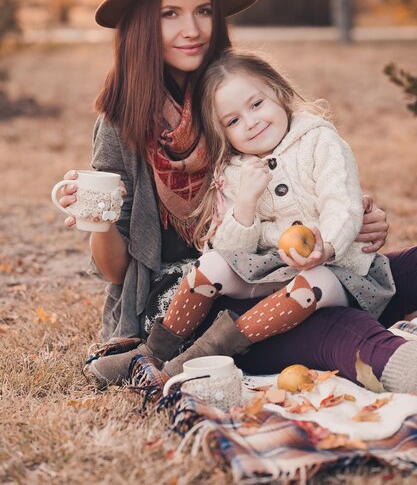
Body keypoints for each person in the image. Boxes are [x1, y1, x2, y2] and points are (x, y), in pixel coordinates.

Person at [57, 0, 417, 394]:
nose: (193, 29)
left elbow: (303, 173)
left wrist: (355, 220)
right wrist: (98, 221)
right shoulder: (120, 123)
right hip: (191, 306)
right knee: (336, 322)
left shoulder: (237, 93)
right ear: (143, 23)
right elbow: (116, 271)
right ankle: (394, 363)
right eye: (171, 14)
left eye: (203, 11)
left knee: (394, 271)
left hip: (279, 267)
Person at [118, 49, 397, 390]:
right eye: (233, 121)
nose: (250, 122)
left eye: (256, 104)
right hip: (273, 270)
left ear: (278, 93)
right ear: (223, 133)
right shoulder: (235, 170)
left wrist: (326, 246)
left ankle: (195, 359)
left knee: (313, 282)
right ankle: (151, 353)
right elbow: (230, 252)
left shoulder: (319, 141)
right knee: (213, 266)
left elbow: (343, 205)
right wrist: (246, 203)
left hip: (338, 271)